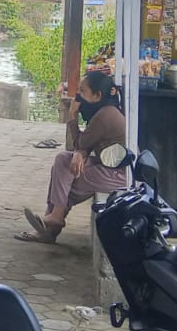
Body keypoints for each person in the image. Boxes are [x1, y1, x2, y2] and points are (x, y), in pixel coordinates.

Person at [18, 69, 128, 244]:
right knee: (63, 160)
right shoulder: (105, 110)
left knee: (66, 180)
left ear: (97, 95)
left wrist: (72, 116)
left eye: (83, 91)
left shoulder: (105, 116)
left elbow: (79, 143)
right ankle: (54, 219)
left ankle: (52, 224)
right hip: (107, 166)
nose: (78, 96)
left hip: (120, 175)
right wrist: (79, 154)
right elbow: (84, 145)